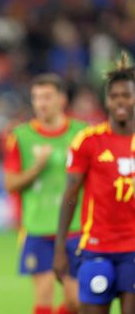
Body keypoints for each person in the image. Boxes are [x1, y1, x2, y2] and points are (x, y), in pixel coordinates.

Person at [53, 54, 135, 314]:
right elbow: (70, 195)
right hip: (96, 246)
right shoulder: (88, 141)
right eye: (115, 96)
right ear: (107, 101)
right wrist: (60, 249)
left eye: (126, 95)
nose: (120, 101)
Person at [3, 73, 86, 314]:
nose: (41, 103)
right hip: (37, 228)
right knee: (43, 298)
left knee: (75, 301)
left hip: (74, 228)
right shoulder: (21, 136)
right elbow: (10, 184)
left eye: (47, 97)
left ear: (62, 100)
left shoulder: (82, 134)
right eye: (36, 97)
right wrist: (37, 167)